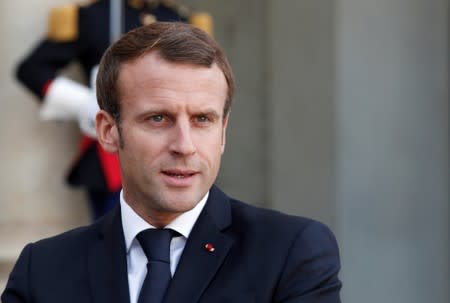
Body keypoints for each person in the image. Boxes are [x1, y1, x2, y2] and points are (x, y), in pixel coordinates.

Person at [2, 22, 342, 303]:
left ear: (223, 132)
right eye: (158, 119)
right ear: (108, 131)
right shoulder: (43, 270)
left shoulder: (289, 253)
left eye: (202, 120)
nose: (184, 145)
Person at [15, 0, 212, 219]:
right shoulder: (95, 16)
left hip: (174, 141)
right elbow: (32, 70)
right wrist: (84, 103)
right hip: (112, 151)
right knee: (114, 236)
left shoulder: (180, 20)